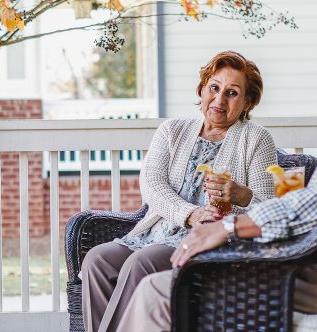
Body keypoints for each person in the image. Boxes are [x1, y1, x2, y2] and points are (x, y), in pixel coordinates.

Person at [116, 27, 317, 332]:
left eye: (231, 92)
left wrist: (227, 227)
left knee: (156, 289)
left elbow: (304, 211)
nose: (219, 99)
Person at [80, 51, 278, 332]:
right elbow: (152, 185)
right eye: (214, 87)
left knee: (142, 262)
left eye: (232, 93)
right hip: (156, 232)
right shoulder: (172, 130)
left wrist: (241, 195)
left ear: (247, 102)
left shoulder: (256, 139)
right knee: (98, 260)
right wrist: (190, 213)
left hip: (208, 242)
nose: (220, 100)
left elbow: (270, 209)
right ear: (202, 88)